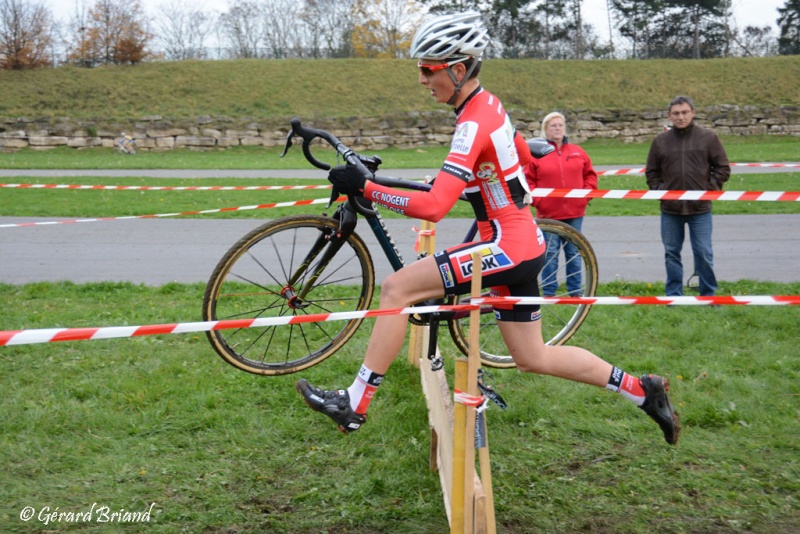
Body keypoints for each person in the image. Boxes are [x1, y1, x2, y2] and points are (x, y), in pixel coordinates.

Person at [296, 11, 680, 445]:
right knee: (533, 356)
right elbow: (516, 151)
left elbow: (435, 206)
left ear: (458, 70)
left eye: (428, 70)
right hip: (523, 241)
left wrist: (366, 186)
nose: (422, 80)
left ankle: (355, 403)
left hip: (504, 243)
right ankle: (641, 389)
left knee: (397, 289)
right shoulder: (489, 105)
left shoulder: (472, 123)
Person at [645, 95, 730, 297]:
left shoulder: (708, 138)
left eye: (684, 112)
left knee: (703, 252)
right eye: (676, 113)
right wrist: (661, 192)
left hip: (700, 209)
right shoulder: (660, 141)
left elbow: (723, 168)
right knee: (671, 253)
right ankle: (674, 295)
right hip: (670, 210)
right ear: (669, 116)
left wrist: (709, 189)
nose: (680, 117)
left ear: (693, 112)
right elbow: (652, 172)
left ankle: (708, 294)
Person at [523, 112, 597, 296]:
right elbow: (527, 181)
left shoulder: (577, 152)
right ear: (546, 129)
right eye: (553, 125)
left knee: (573, 253)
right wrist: (540, 201)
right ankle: (549, 292)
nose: (557, 128)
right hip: (549, 215)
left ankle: (575, 292)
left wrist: (584, 197)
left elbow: (590, 176)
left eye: (560, 125)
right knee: (550, 255)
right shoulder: (536, 155)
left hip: (575, 213)